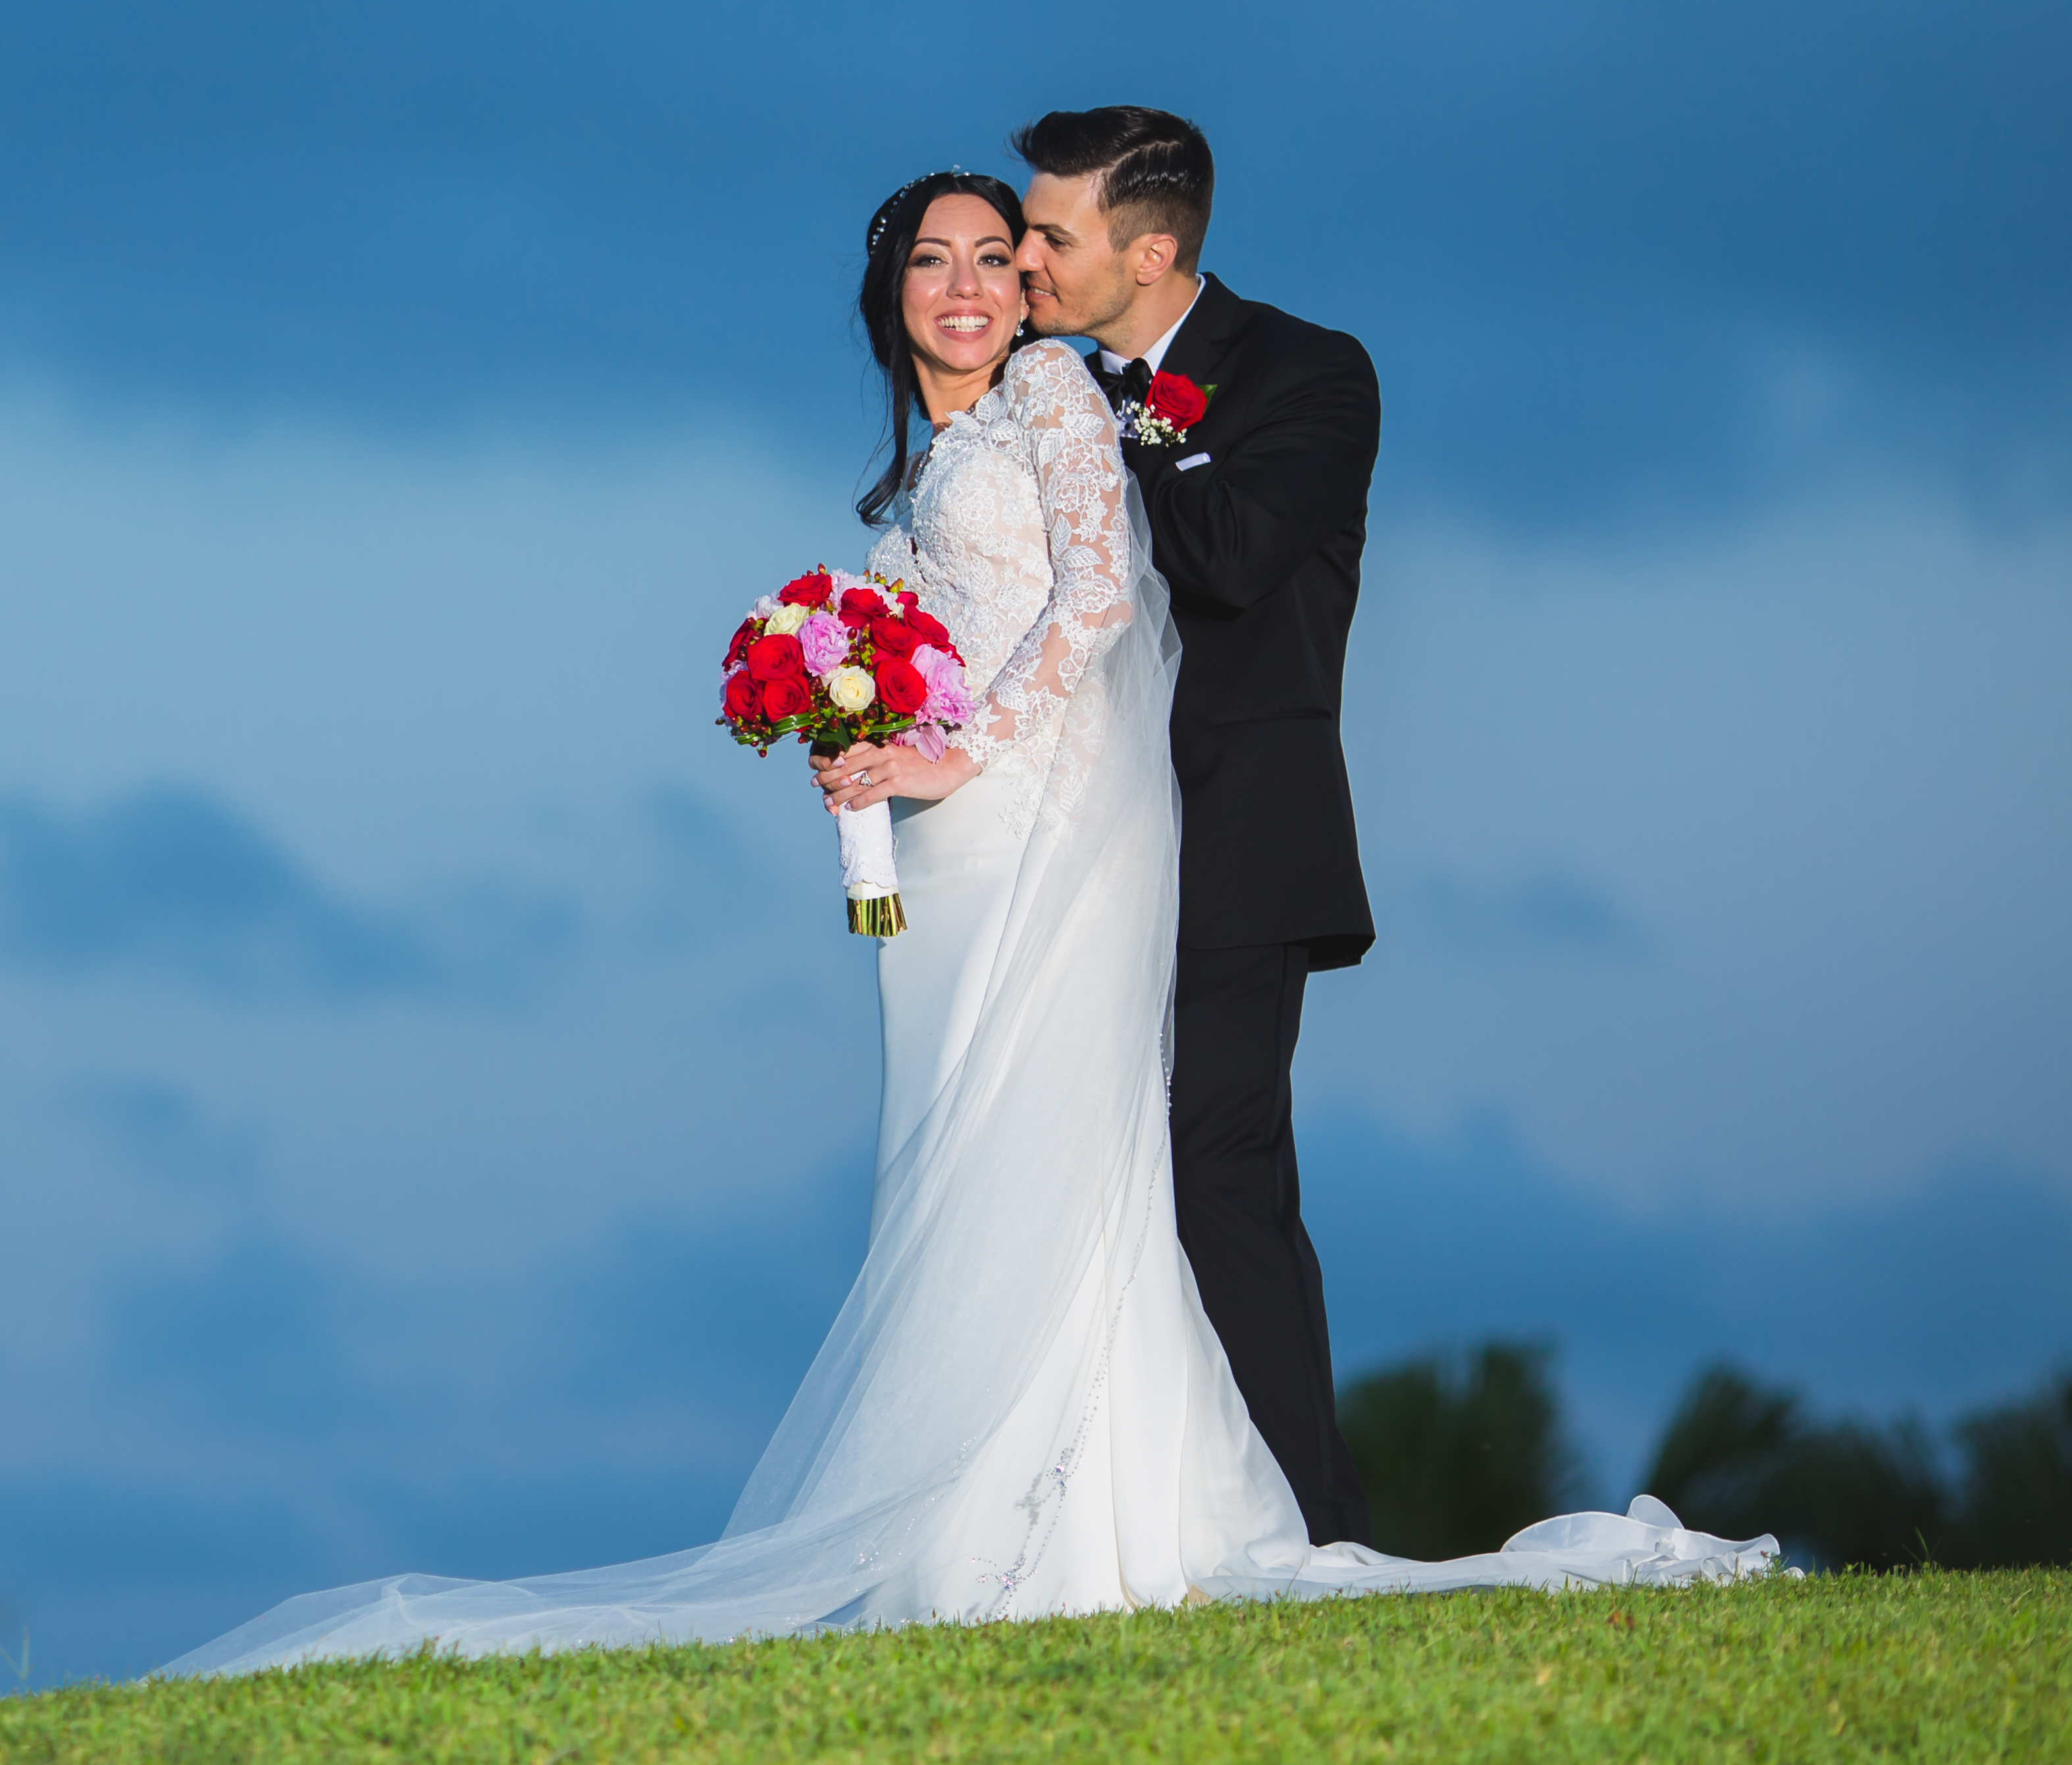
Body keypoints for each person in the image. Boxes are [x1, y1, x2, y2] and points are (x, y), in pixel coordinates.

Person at [159, 157, 1772, 1679]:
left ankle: (1089, 1520)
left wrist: (952, 747)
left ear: (1033, 288)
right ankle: (959, 1526)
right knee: (957, 1155)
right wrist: (858, 735)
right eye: (932, 261)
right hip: (946, 852)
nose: (967, 284)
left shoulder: (1056, 398)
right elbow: (945, 642)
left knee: (1065, 1146)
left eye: (996, 259)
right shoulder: (926, 465)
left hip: (1055, 823)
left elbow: (1092, 599)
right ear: (886, 297)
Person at [987, 103, 1377, 1545]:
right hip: (1069, 840)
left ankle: (1309, 1525)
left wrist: (1096, 423)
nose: (1022, 258)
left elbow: (1222, 558)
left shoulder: (1308, 374)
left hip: (1231, 833)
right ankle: (1088, 1522)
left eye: (1049, 235)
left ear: (1147, 254)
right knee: (1070, 1167)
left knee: (1215, 1164)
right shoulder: (1029, 389)